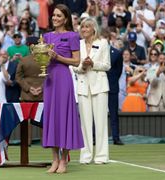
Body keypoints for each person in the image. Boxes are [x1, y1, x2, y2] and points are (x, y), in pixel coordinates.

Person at [42, 4, 84, 173]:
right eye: (54, 15)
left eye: (59, 16)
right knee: (52, 117)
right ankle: (54, 160)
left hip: (64, 78)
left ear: (66, 19)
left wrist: (58, 57)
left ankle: (64, 161)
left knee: (64, 116)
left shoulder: (73, 36)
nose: (55, 18)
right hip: (49, 79)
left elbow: (76, 61)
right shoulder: (46, 36)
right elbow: (42, 59)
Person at [74, 17, 110, 164]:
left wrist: (93, 63)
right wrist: (82, 66)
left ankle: (101, 156)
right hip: (83, 86)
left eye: (87, 27)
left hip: (99, 86)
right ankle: (86, 156)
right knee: (85, 123)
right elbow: (74, 66)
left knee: (101, 122)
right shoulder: (78, 44)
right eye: (82, 27)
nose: (84, 30)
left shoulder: (102, 43)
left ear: (94, 29)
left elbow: (107, 65)